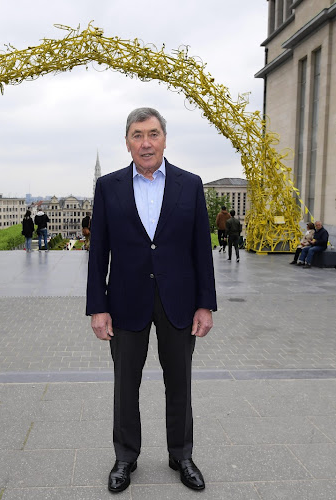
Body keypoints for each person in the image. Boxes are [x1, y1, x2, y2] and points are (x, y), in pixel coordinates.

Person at [86, 107, 217, 493]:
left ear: (164, 138)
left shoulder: (190, 184)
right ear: (127, 142)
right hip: (126, 300)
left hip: (180, 300)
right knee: (126, 384)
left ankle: (182, 454)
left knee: (180, 382)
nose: (146, 143)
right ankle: (126, 457)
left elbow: (201, 250)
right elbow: (99, 252)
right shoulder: (108, 187)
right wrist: (98, 306)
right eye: (138, 135)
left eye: (153, 134)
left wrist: (205, 303)